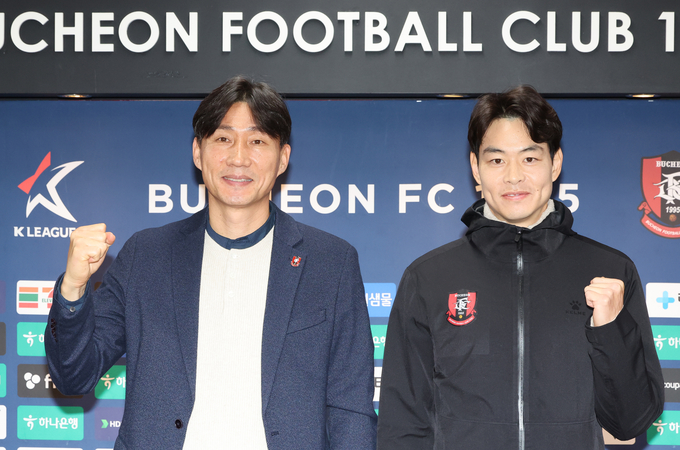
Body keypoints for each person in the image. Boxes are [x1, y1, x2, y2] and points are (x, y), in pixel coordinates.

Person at [45, 76, 377, 450]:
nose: (238, 158)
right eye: (222, 139)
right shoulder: (145, 255)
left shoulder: (331, 263)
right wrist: (73, 288)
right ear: (197, 152)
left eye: (257, 141)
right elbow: (73, 375)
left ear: (282, 158)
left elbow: (351, 410)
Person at [376, 85, 663, 450]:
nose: (513, 176)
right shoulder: (428, 278)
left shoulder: (611, 271)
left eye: (529, 158)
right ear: (476, 168)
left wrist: (610, 331)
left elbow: (630, 422)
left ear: (554, 164)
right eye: (497, 160)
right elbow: (402, 426)